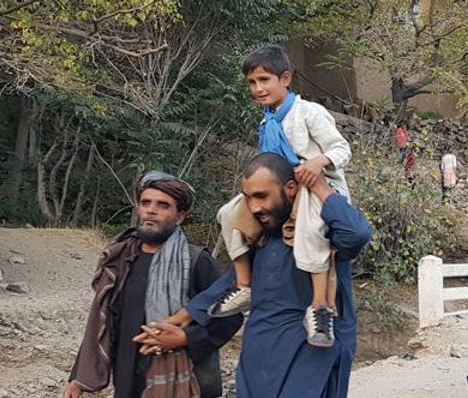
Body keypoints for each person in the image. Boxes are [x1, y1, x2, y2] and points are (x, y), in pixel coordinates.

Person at [185, 153, 372, 398]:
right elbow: (233, 283)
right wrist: (185, 316)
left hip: (314, 352)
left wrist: (317, 185)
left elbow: (356, 234)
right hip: (260, 352)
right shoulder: (261, 237)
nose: (254, 207)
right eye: (248, 198)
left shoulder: (324, 233)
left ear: (291, 188)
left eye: (262, 196)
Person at [204, 45, 353, 347]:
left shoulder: (309, 113)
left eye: (264, 80)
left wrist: (317, 162)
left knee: (311, 231)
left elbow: (342, 149)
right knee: (229, 214)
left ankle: (319, 307)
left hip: (315, 188)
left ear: (285, 78)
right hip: (284, 191)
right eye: (252, 82)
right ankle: (244, 284)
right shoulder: (267, 121)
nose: (257, 88)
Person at [64, 172, 243, 398]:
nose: (151, 210)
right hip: (128, 382)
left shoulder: (197, 261)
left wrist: (185, 338)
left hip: (185, 384)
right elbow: (102, 323)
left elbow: (231, 316)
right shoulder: (121, 260)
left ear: (180, 216)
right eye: (145, 203)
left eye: (163, 205)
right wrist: (78, 380)